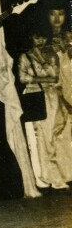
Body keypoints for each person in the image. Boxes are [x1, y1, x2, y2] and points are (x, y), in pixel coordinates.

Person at [17, 24, 72, 190]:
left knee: (59, 137)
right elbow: (23, 78)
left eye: (42, 37)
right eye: (36, 37)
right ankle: (47, 177)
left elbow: (57, 77)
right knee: (42, 140)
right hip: (39, 99)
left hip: (55, 99)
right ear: (31, 38)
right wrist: (46, 80)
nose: (40, 40)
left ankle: (62, 175)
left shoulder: (52, 55)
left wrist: (43, 72)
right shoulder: (25, 56)